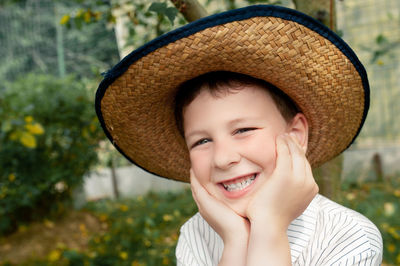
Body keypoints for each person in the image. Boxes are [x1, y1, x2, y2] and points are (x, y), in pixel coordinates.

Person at [95, 5, 383, 265]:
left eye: (243, 130)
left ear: (295, 134)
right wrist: (234, 240)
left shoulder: (351, 237)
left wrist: (269, 225)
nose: (223, 158)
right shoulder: (196, 237)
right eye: (202, 141)